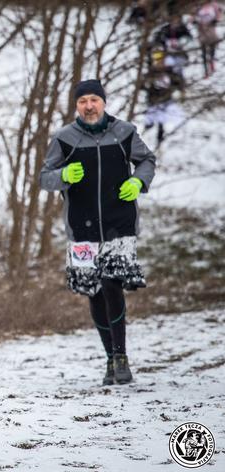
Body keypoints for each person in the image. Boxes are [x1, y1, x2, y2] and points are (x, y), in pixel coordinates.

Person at [40, 79, 157, 386]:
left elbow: (146, 160)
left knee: (112, 284)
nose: (89, 105)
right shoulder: (64, 138)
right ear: (76, 106)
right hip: (81, 227)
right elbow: (44, 178)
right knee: (93, 290)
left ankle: (121, 356)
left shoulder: (124, 132)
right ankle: (110, 358)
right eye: (83, 101)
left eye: (94, 99)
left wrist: (138, 182)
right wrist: (62, 175)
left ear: (103, 102)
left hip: (120, 223)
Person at [192, 1, 222, 77]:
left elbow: (219, 15)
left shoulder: (214, 4)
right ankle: (206, 70)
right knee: (204, 51)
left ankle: (212, 63)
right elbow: (193, 17)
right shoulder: (197, 6)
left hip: (211, 31)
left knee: (212, 49)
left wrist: (216, 20)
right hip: (202, 31)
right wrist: (195, 21)